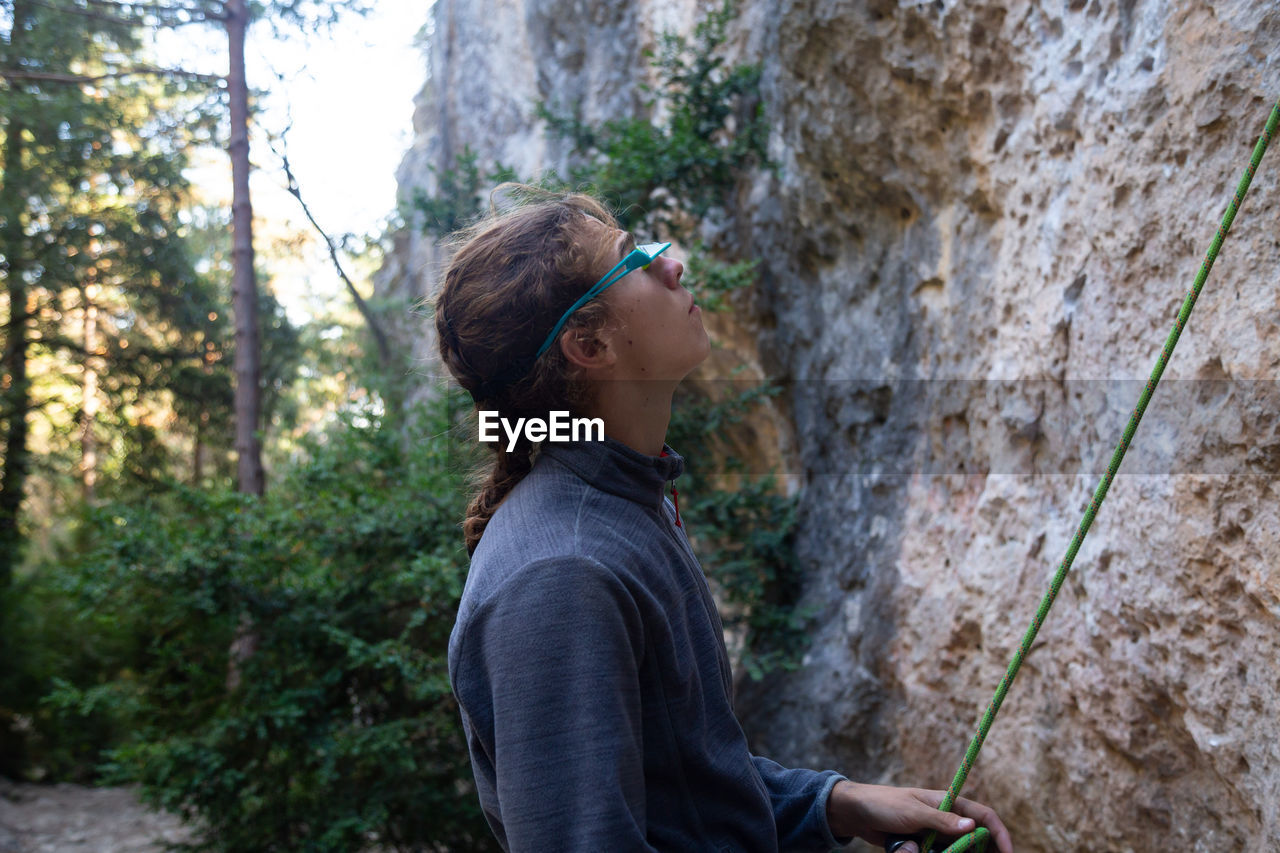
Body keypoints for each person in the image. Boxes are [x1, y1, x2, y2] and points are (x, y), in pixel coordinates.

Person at [435, 187, 1013, 853]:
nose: (671, 263)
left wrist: (835, 803)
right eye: (635, 261)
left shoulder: (627, 507)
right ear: (587, 344)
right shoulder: (562, 574)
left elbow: (683, 789)